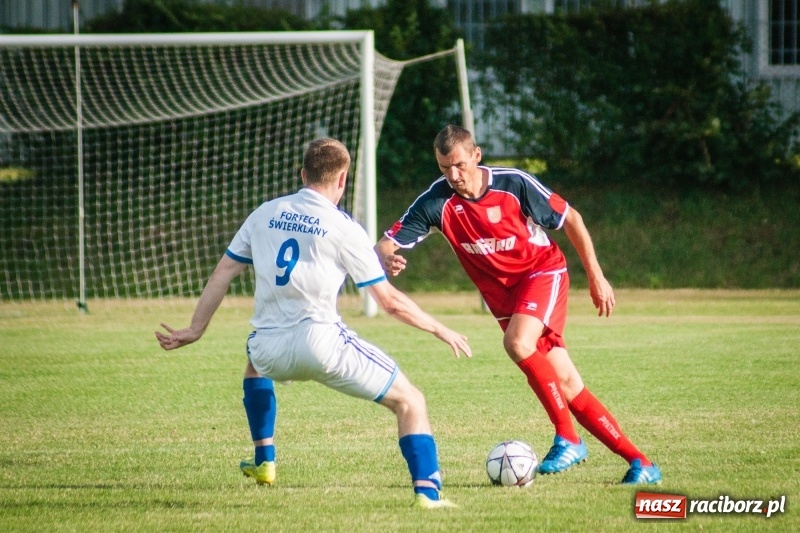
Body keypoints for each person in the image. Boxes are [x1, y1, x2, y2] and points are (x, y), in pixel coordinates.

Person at [156, 137, 471, 508]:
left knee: (254, 364)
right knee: (411, 402)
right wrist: (440, 328)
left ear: (303, 174)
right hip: (321, 345)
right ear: (342, 180)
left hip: (269, 347)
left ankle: (265, 461)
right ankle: (429, 494)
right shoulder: (343, 227)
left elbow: (224, 271)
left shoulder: (264, 213)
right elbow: (389, 302)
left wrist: (195, 329)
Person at [375, 125, 662, 485]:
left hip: (543, 273)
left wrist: (596, 276)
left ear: (476, 155)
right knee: (568, 383)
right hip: (504, 300)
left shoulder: (513, 184)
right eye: (444, 167)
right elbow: (385, 244)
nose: (453, 175)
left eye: (460, 165)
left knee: (517, 344)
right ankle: (642, 463)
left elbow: (571, 218)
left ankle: (569, 438)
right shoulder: (436, 201)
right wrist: (386, 259)